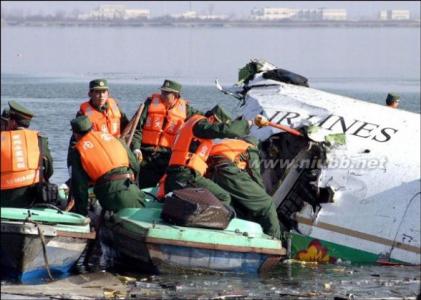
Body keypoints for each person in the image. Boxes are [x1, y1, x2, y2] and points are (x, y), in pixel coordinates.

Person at [161, 105, 257, 206]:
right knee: (223, 197)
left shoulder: (193, 128)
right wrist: (250, 122)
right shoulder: (200, 125)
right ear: (211, 118)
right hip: (186, 175)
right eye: (217, 124)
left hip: (174, 176)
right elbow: (226, 130)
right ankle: (205, 220)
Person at [206, 134, 282, 239]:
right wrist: (260, 196)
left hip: (214, 174)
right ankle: (275, 239)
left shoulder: (229, 143)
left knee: (236, 205)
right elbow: (255, 173)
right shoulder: (250, 148)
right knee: (266, 204)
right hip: (228, 171)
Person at [131, 79, 203, 188]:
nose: (163, 95)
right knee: (145, 186)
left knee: (165, 187)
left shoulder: (186, 110)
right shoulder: (149, 104)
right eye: (162, 92)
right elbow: (137, 129)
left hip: (168, 157)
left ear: (176, 96)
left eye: (167, 93)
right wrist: (136, 148)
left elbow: (203, 119)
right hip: (146, 154)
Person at [69, 116, 145, 216]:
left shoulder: (78, 150)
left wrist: (81, 213)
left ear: (75, 134)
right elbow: (135, 166)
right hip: (132, 190)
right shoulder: (113, 138)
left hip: (109, 195)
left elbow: (80, 187)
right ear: (92, 128)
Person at [1, 101, 54, 208]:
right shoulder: (39, 140)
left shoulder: (2, 139)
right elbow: (49, 170)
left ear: (13, 122)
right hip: (30, 198)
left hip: (4, 199)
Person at [67, 79, 129, 167]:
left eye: (104, 92)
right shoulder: (83, 114)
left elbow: (127, 128)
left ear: (108, 93)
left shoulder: (115, 107)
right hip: (97, 156)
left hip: (117, 153)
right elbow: (76, 141)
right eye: (97, 92)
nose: (101, 96)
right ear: (90, 94)